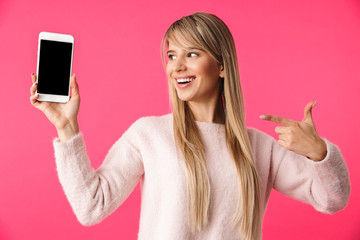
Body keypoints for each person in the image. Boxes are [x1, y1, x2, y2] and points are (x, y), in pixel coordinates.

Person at [29, 12, 350, 240]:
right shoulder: (149, 135)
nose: (177, 66)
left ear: (222, 65)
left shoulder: (260, 148)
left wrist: (319, 152)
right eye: (171, 55)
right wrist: (67, 127)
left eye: (191, 53)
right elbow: (91, 207)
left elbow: (332, 200)